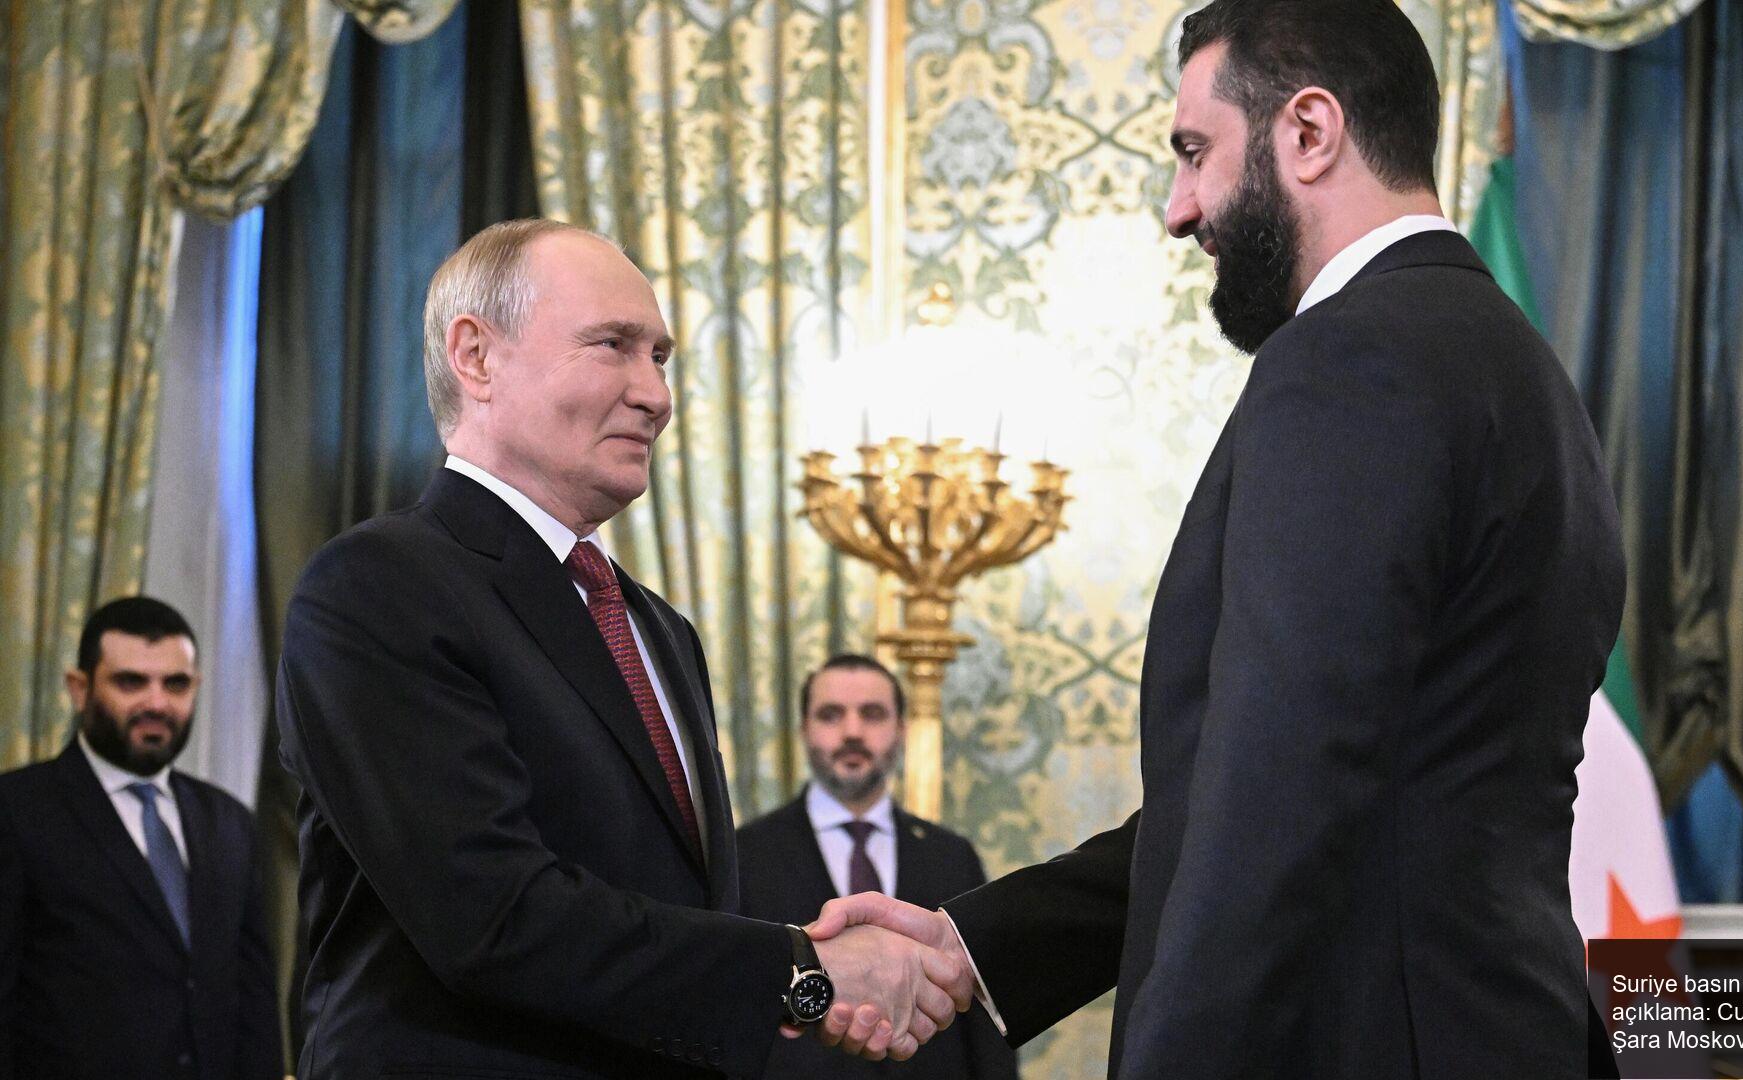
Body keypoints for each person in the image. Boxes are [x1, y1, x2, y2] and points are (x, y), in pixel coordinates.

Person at [806, 1, 1627, 1076]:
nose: (1178, 207)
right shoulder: (1520, 365)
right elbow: (1319, 782)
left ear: (1309, 131)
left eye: (1196, 152)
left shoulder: (1350, 358)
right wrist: (980, 945)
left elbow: (1277, 803)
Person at [274, 219, 965, 1080]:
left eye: (661, 357)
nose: (656, 395)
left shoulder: (658, 629)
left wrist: (811, 980)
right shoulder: (379, 585)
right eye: (613, 346)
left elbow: (679, 916)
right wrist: (803, 969)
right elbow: (493, 918)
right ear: (476, 357)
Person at [0, 597, 281, 1080]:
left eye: (175, 684)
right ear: (80, 689)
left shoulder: (228, 822)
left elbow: (253, 998)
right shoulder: (17, 810)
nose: (156, 703)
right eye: (131, 682)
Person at [739, 655, 1020, 1080]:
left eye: (872, 714)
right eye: (831, 715)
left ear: (901, 730)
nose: (852, 732)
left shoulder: (951, 855)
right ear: (804, 730)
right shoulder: (745, 853)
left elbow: (983, 1014)